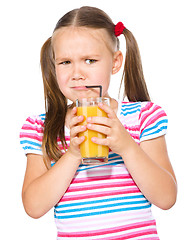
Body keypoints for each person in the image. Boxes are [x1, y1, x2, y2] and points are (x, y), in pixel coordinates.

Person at [20, 6, 177, 239]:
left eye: (90, 60)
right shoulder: (41, 128)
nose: (77, 73)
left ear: (115, 62)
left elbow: (166, 198)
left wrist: (126, 146)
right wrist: (72, 154)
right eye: (65, 62)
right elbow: (33, 207)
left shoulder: (143, 116)